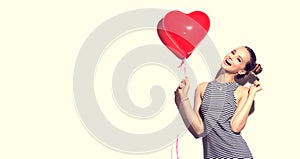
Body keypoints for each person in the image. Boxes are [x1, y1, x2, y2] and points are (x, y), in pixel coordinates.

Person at [174, 46, 263, 158]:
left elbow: (236, 127)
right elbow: (198, 130)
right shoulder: (202, 88)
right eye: (233, 52)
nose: (231, 57)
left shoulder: (242, 92)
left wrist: (252, 94)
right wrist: (183, 98)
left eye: (238, 59)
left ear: (241, 71)